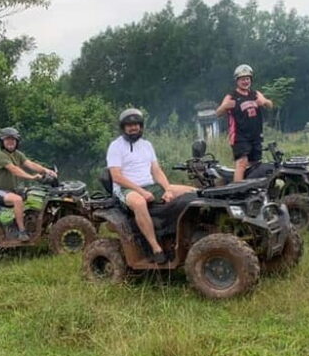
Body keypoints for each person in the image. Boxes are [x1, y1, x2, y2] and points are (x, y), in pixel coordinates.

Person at [107, 108, 195, 264]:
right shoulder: (116, 146)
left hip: (150, 185)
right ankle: (155, 247)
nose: (133, 127)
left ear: (141, 126)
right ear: (123, 127)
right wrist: (141, 192)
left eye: (136, 124)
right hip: (126, 189)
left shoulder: (147, 145)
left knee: (192, 192)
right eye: (129, 125)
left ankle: (184, 235)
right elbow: (117, 177)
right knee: (140, 203)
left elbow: (156, 170)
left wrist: (167, 189)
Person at [0, 127, 56, 241]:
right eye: (7, 139)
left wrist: (46, 171)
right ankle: (22, 231)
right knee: (18, 200)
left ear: (17, 142)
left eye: (13, 140)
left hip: (11, 190)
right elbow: (14, 169)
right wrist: (32, 177)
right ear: (2, 142)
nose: (10, 142)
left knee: (34, 194)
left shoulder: (17, 154)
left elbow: (30, 164)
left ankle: (34, 224)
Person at [215, 64, 273, 182]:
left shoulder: (255, 94)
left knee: (256, 165)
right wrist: (225, 106)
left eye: (247, 78)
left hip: (256, 135)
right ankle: (238, 189)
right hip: (239, 136)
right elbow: (218, 113)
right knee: (242, 163)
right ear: (237, 81)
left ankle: (254, 189)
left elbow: (270, 105)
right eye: (242, 79)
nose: (245, 81)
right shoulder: (232, 96)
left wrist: (264, 102)